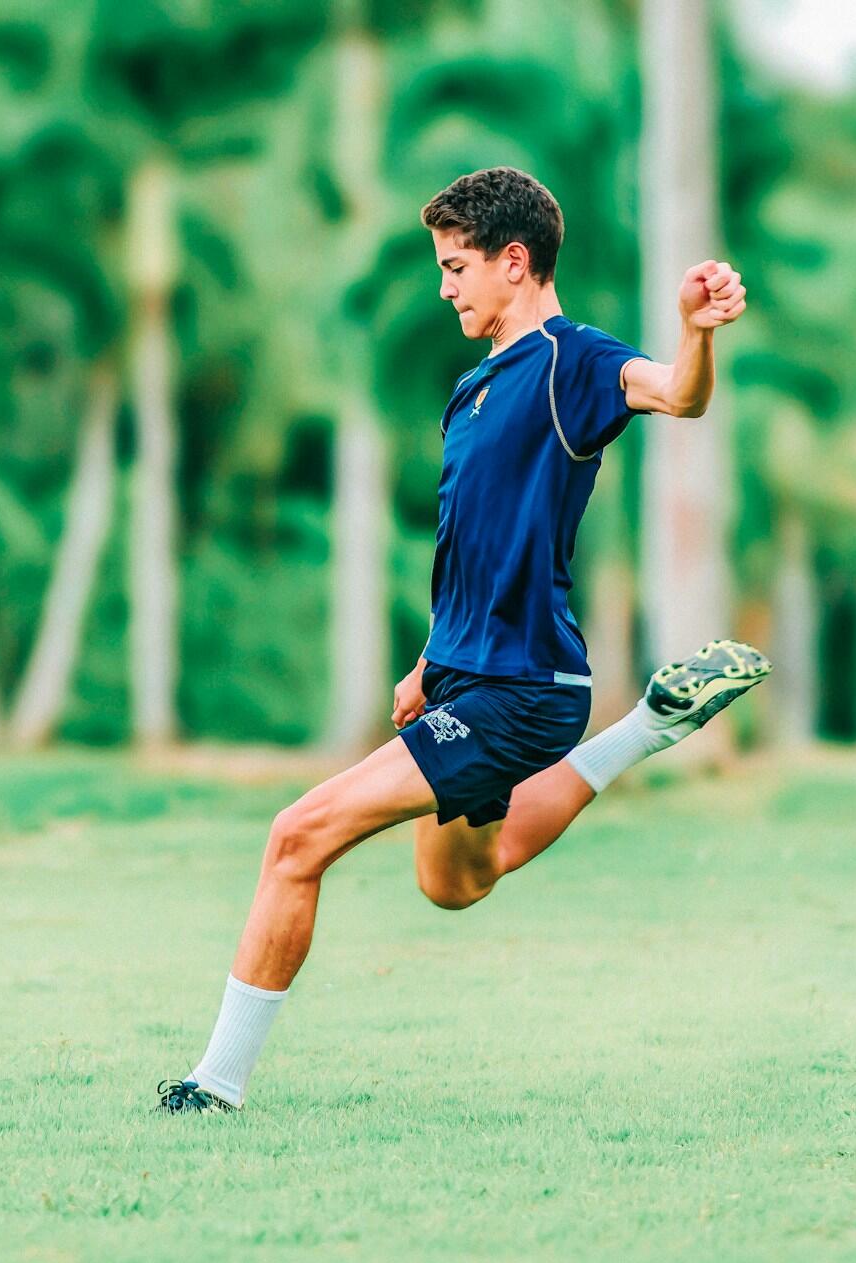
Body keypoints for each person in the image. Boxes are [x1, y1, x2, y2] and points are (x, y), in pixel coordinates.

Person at [158, 166, 768, 1114]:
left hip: (522, 688)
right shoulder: (474, 387)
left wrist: (695, 332)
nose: (444, 288)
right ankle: (647, 725)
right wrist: (425, 666)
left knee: (295, 838)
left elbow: (678, 397)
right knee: (456, 884)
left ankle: (215, 1086)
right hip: (467, 679)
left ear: (513, 263)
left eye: (456, 267)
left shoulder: (576, 362)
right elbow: (469, 548)